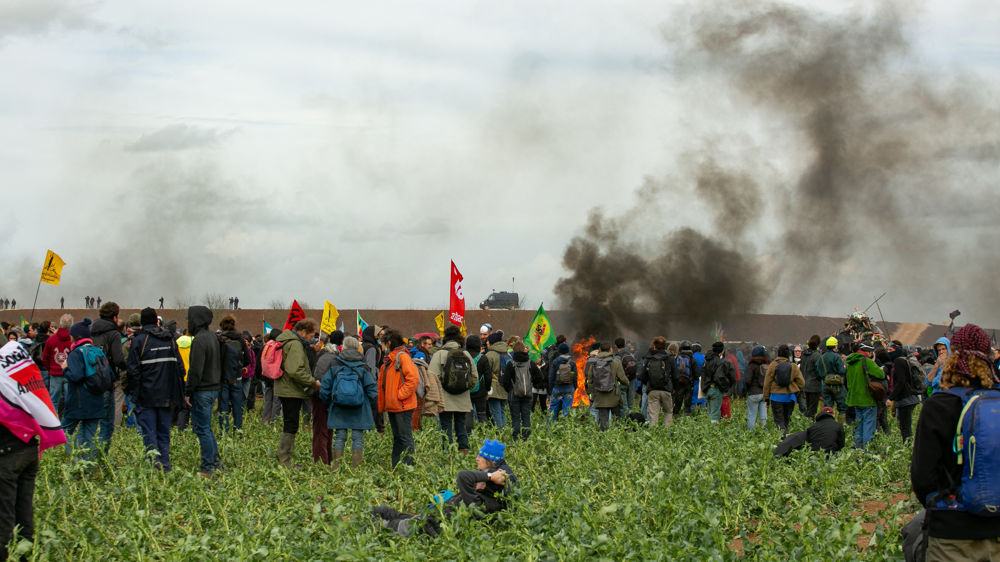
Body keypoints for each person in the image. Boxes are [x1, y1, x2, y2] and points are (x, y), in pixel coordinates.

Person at [911, 324, 1000, 559]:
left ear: (953, 357)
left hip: (953, 534)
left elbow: (923, 478)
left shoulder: (938, 405)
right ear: (990, 358)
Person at [0, 338, 65, 561]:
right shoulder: (18, 366)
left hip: (6, 454)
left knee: (4, 516)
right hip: (28, 448)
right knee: (23, 511)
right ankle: (25, 554)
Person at [372, 438, 518, 537]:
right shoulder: (490, 488)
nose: (476, 459)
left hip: (435, 525)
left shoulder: (480, 503)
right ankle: (387, 515)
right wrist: (490, 476)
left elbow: (463, 476)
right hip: (438, 516)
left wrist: (489, 477)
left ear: (489, 461)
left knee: (398, 526)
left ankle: (378, 523)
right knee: (410, 517)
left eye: (481, 456)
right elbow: (506, 475)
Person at [126, 307, 184, 471]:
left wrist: (134, 394)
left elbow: (133, 370)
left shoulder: (139, 341)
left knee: (149, 431)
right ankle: (165, 464)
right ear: (157, 322)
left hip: (147, 395)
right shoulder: (170, 339)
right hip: (167, 394)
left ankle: (154, 465)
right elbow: (180, 367)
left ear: (142, 323)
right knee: (164, 431)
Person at [319, 336, 377, 469]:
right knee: (357, 437)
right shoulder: (363, 365)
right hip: (359, 407)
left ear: (343, 347)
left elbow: (325, 387)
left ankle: (336, 466)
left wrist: (328, 403)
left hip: (338, 406)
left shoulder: (335, 363)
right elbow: (372, 389)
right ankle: (356, 468)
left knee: (339, 436)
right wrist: (370, 404)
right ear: (358, 348)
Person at [275, 319, 321, 468]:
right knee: (291, 424)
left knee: (290, 423)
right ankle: (285, 461)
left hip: (286, 388)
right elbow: (295, 370)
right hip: (291, 390)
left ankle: (285, 458)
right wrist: (312, 382)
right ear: (303, 332)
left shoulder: (288, 341)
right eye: (311, 335)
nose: (312, 338)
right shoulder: (295, 344)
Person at [60, 319, 106, 462]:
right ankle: (87, 466)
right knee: (89, 436)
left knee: (64, 433)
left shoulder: (75, 353)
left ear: (77, 337)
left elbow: (76, 376)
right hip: (97, 401)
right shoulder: (98, 351)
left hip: (78, 403)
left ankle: (75, 462)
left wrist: (65, 369)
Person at [184, 306, 222, 477]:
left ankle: (207, 468)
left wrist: (188, 390)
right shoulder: (212, 337)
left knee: (202, 429)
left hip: (202, 390)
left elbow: (195, 370)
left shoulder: (199, 340)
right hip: (213, 387)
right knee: (207, 428)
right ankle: (215, 462)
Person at [378, 329, 420, 467]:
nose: (381, 346)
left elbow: (413, 379)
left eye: (383, 343)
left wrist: (400, 395)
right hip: (394, 406)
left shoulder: (402, 357)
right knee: (398, 438)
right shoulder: (390, 360)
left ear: (389, 343)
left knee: (405, 438)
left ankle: (409, 467)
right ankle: (396, 466)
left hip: (402, 405)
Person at [431, 327, 476, 452]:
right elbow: (474, 377)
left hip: (445, 399)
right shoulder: (465, 354)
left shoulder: (439, 354)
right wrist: (465, 389)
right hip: (462, 398)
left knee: (446, 427)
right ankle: (464, 452)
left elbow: (432, 377)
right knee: (461, 426)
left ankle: (448, 454)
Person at [88, 302, 125, 455]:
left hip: (90, 378)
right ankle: (101, 456)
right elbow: (118, 359)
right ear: (115, 316)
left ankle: (86, 453)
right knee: (106, 422)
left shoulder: (91, 331)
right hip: (107, 379)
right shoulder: (114, 333)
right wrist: (128, 366)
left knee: (90, 422)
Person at [309, 330, 344, 465]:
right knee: (325, 430)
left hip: (319, 394)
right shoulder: (336, 358)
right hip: (325, 396)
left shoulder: (323, 356)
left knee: (321, 429)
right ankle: (324, 459)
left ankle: (323, 459)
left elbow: (316, 374)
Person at [845, 343, 885, 449]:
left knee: (858, 426)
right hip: (868, 399)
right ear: (868, 352)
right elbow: (881, 375)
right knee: (868, 427)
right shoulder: (866, 361)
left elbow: (847, 382)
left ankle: (857, 451)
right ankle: (866, 453)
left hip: (855, 400)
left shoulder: (850, 362)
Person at [501, 341, 541, 440]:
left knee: (515, 418)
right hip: (527, 394)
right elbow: (540, 377)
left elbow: (505, 381)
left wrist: (510, 390)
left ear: (514, 350)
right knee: (526, 417)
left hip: (514, 394)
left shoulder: (511, 364)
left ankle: (516, 439)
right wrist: (532, 385)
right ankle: (526, 438)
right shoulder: (530, 363)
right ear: (524, 350)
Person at [216, 315, 250, 432]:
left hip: (223, 378)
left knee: (223, 407)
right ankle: (238, 430)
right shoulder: (240, 339)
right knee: (237, 407)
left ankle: (224, 432)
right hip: (237, 377)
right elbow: (248, 360)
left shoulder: (220, 339)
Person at [763, 344, 806, 435]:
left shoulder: (773, 365)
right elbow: (802, 383)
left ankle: (782, 438)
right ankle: (786, 436)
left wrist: (766, 398)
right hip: (790, 397)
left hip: (776, 397)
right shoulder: (793, 366)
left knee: (779, 420)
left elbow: (767, 383)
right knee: (787, 419)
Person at [585, 342, 628, 430]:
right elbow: (622, 378)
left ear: (599, 350)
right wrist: (627, 384)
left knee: (603, 419)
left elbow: (590, 379)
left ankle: (604, 437)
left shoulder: (594, 362)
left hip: (600, 395)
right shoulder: (616, 362)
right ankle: (616, 436)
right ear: (610, 350)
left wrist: (590, 392)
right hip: (614, 395)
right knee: (617, 418)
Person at [637, 338, 676, 427]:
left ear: (654, 346)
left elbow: (642, 375)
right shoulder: (670, 358)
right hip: (666, 389)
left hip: (652, 390)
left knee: (653, 414)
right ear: (665, 346)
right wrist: (674, 388)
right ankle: (667, 432)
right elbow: (675, 375)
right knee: (668, 412)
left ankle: (653, 434)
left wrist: (648, 384)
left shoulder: (649, 358)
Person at [42, 314, 73, 416]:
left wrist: (50, 369)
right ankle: (67, 425)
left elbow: (45, 358)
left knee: (54, 401)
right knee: (70, 401)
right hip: (69, 373)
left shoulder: (51, 340)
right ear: (71, 325)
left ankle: (54, 426)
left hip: (55, 374)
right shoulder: (73, 341)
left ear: (60, 324)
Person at [889, 354, 922, 441]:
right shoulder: (904, 360)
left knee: (905, 427)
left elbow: (901, 381)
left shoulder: (898, 361)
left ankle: (908, 446)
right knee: (905, 426)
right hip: (910, 398)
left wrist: (891, 398)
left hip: (905, 400)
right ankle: (908, 445)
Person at [701, 342, 735, 423]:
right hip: (715, 389)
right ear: (722, 351)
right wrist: (725, 387)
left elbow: (703, 375)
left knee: (709, 413)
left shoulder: (707, 360)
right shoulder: (719, 362)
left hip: (707, 389)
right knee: (715, 414)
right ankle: (714, 433)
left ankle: (708, 430)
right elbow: (719, 377)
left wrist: (704, 387)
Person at [361, 326, 385, 434]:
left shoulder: (363, 346)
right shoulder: (371, 348)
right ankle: (377, 428)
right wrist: (374, 380)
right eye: (378, 335)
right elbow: (370, 366)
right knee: (375, 407)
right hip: (371, 381)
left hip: (363, 380)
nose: (379, 337)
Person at [818, 336, 848, 421]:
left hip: (825, 385)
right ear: (835, 346)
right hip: (837, 385)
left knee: (827, 407)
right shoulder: (837, 357)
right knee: (842, 407)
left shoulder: (822, 357)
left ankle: (828, 424)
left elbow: (818, 371)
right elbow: (842, 371)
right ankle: (841, 426)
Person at [483, 332, 509, 427]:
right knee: (502, 411)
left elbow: (485, 372)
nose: (486, 343)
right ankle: (504, 432)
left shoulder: (490, 355)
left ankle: (500, 433)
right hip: (504, 387)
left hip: (493, 388)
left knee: (495, 412)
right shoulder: (507, 354)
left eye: (488, 341)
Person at [548, 342, 576, 421]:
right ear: (567, 351)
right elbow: (574, 376)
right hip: (569, 388)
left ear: (559, 351)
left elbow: (551, 376)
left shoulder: (555, 362)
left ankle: (549, 427)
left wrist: (551, 389)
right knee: (566, 410)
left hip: (557, 388)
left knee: (553, 408)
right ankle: (565, 428)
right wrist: (574, 387)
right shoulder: (572, 362)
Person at [260, 328, 283, 425]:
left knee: (268, 400)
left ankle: (265, 420)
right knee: (277, 401)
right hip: (276, 377)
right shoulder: (278, 347)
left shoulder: (266, 346)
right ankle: (274, 423)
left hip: (266, 376)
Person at [745, 345, 769, 430]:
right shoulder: (766, 365)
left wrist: (747, 390)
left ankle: (751, 434)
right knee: (763, 416)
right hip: (764, 394)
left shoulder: (751, 366)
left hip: (753, 393)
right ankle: (764, 434)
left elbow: (748, 380)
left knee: (752, 415)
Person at [800, 335, 823, 418]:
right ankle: (809, 424)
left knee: (807, 406)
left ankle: (805, 422)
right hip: (814, 385)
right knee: (812, 409)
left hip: (804, 383)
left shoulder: (804, 354)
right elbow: (819, 371)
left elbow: (802, 368)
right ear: (818, 344)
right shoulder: (817, 356)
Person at [614, 337, 637, 414]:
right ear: (624, 344)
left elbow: (617, 371)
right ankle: (631, 418)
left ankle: (625, 420)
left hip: (622, 382)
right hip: (632, 379)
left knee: (623, 404)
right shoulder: (630, 355)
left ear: (615, 346)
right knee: (630, 403)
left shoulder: (617, 357)